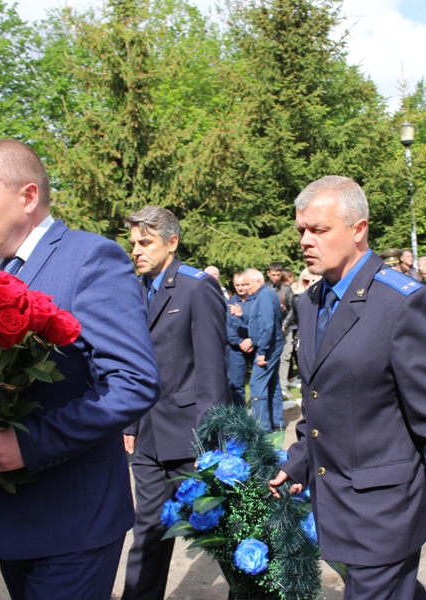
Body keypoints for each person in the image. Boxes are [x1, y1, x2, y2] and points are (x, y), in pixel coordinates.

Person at [0, 139, 160, 598]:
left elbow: (134, 382)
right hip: (9, 523)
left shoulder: (90, 259)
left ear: (28, 196)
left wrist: (31, 444)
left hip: (73, 521)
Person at [269, 176, 426, 599]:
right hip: (335, 502)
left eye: (319, 229)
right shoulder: (311, 303)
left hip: (384, 510)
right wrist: (300, 460)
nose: (306, 241)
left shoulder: (403, 302)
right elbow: (320, 400)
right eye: (302, 230)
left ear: (358, 229)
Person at [122, 205, 230, 600]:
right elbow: (134, 364)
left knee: (220, 530)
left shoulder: (196, 287)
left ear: (172, 242)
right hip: (149, 437)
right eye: (133, 243)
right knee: (149, 531)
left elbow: (212, 372)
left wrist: (208, 443)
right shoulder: (136, 289)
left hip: (190, 438)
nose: (136, 250)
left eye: (145, 242)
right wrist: (130, 424)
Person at [244, 268, 285, 432]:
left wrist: (262, 352)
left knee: (256, 384)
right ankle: (277, 422)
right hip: (270, 345)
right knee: (273, 383)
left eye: (248, 284)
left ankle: (262, 427)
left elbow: (267, 325)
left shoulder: (265, 296)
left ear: (259, 282)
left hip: (268, 347)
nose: (246, 287)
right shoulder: (262, 295)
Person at [267, 262, 295, 399]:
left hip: (285, 328)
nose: (276, 277)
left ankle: (283, 386)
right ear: (268, 274)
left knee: (285, 357)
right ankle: (271, 386)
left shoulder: (287, 289)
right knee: (270, 357)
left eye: (278, 275)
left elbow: (293, 308)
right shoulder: (264, 289)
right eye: (273, 275)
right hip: (269, 329)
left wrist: (284, 324)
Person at [226, 272, 253, 407]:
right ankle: (240, 414)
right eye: (237, 285)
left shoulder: (256, 301)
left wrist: (251, 340)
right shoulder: (228, 304)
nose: (241, 288)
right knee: (236, 385)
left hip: (256, 346)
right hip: (236, 349)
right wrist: (239, 342)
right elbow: (226, 326)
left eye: (243, 284)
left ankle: (261, 413)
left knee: (258, 383)